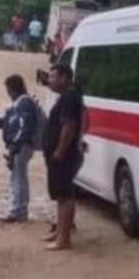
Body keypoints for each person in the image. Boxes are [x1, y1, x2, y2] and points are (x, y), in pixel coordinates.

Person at [0, 75, 38, 223]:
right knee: (18, 177)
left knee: (18, 178)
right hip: (20, 144)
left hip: (22, 145)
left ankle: (18, 211)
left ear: (13, 89)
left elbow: (25, 127)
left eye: (8, 89)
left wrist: (15, 146)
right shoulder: (19, 104)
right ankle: (20, 210)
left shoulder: (24, 103)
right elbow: (6, 124)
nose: (7, 92)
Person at [43, 64, 84, 251]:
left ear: (64, 78)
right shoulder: (68, 96)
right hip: (62, 154)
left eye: (53, 76)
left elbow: (69, 127)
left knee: (65, 195)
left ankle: (64, 239)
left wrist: (60, 150)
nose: (49, 80)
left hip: (64, 155)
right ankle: (60, 231)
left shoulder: (68, 97)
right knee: (61, 195)